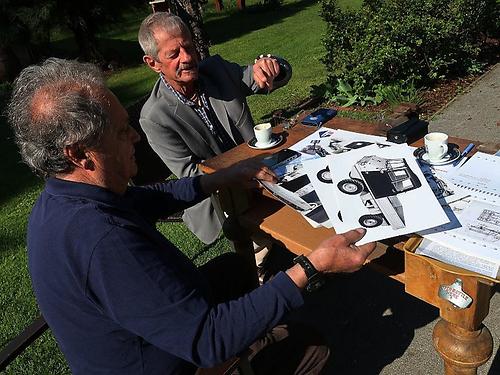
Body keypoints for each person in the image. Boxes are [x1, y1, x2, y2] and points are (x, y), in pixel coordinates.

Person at [7, 58, 376, 375]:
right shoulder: (102, 240)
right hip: (173, 362)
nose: (135, 136)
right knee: (312, 348)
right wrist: (311, 266)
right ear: (80, 155)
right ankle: (250, 350)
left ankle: (254, 335)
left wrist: (219, 178)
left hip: (151, 330)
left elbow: (150, 198)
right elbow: (207, 340)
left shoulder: (68, 196)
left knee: (233, 268)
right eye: (122, 131)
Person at [138, 12, 292, 244]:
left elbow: (266, 76)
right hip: (221, 198)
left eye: (189, 47)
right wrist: (237, 175)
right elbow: (190, 175)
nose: (188, 57)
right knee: (285, 233)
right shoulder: (155, 117)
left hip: (262, 172)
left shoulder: (217, 71)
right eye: (174, 54)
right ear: (153, 63)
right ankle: (264, 260)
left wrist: (272, 66)